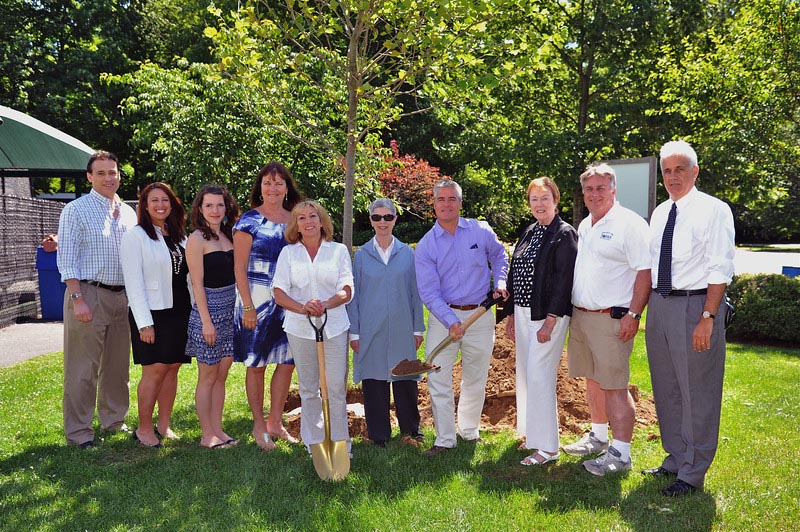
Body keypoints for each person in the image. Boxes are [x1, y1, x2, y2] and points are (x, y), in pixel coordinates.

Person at [644, 140, 735, 496]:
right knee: (667, 387)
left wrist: (708, 315)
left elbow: (720, 266)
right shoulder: (660, 213)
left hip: (696, 306)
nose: (672, 177)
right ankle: (676, 456)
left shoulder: (713, 210)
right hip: (661, 304)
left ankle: (693, 471)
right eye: (667, 170)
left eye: (680, 169)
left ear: (695, 171)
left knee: (697, 389)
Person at [562, 164, 651, 475]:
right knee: (593, 379)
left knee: (614, 385)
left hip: (612, 319)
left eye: (601, 188)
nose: (594, 194)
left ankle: (622, 454)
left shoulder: (630, 224)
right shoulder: (586, 225)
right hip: (582, 317)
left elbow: (644, 271)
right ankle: (598, 437)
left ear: (614, 189)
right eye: (589, 189)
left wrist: (634, 314)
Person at [415, 180, 508, 456]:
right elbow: (428, 292)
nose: (446, 204)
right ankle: (445, 438)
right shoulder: (426, 245)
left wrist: (500, 281)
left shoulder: (480, 230)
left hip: (481, 313)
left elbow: (500, 255)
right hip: (444, 316)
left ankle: (468, 430)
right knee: (438, 376)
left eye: (452, 199)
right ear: (434, 205)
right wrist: (450, 321)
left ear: (460, 202)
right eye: (441, 199)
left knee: (476, 376)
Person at [57, 150, 137, 447]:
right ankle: (79, 432)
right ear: (90, 177)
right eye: (101, 173)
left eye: (112, 172)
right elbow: (66, 258)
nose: (108, 178)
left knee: (117, 367)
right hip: (88, 293)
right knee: (82, 369)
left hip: (123, 297)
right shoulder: (76, 210)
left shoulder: (129, 212)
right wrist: (77, 298)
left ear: (119, 175)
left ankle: (114, 420)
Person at [500, 177, 577, 466]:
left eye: (545, 198)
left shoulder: (564, 234)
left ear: (556, 201)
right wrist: (509, 313)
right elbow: (514, 272)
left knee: (540, 375)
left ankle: (548, 447)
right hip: (522, 312)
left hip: (547, 314)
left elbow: (563, 281)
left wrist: (551, 320)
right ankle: (531, 436)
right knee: (526, 375)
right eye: (534, 199)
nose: (539, 204)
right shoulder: (530, 231)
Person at [273, 201, 354, 455]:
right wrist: (302, 307)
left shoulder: (338, 251)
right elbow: (278, 292)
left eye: (313, 216)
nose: (308, 222)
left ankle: (341, 444)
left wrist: (326, 304)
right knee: (309, 388)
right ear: (296, 225)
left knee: (335, 387)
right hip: (299, 328)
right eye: (302, 218)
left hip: (335, 326)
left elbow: (347, 288)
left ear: (322, 222)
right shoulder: (288, 254)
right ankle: (315, 443)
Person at [233, 162, 304, 451]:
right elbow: (239, 269)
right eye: (267, 183)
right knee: (257, 363)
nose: (272, 188)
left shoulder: (296, 220)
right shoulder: (249, 221)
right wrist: (248, 307)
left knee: (288, 363)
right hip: (256, 301)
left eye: (278, 183)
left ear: (287, 187)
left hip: (290, 302)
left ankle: (276, 422)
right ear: (259, 187)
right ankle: (258, 426)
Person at [347, 198, 426, 448]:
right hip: (370, 328)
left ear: (395, 219)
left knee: (405, 378)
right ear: (370, 220)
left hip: (403, 325)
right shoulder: (360, 256)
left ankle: (411, 431)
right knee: (374, 380)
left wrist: (417, 327)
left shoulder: (407, 254)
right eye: (377, 217)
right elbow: (354, 296)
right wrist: (354, 332)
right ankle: (379, 435)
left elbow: (415, 292)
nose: (383, 222)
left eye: (388, 217)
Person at [121, 182, 192, 448]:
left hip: (179, 311)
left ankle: (164, 424)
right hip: (152, 313)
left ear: (172, 204)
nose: (160, 205)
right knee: (155, 370)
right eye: (154, 200)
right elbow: (133, 282)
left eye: (165, 200)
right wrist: (144, 323)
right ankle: (143, 428)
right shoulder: (136, 236)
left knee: (172, 368)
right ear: (144, 205)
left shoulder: (178, 236)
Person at [185, 184, 240, 449]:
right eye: (209, 205)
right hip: (209, 314)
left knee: (221, 375)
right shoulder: (196, 239)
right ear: (200, 208)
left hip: (230, 312)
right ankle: (207, 434)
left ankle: (218, 429)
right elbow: (197, 285)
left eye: (219, 205)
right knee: (207, 376)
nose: (215, 210)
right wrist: (207, 321)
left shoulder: (230, 235)